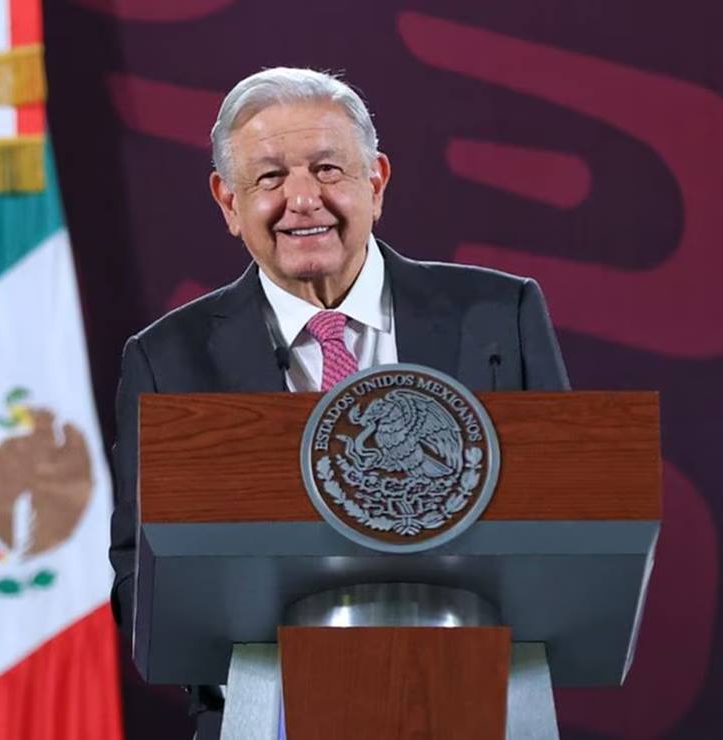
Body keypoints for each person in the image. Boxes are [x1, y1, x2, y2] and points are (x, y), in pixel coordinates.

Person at [107, 67, 570, 738]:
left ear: (375, 182)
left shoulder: (499, 316)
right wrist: (255, 668)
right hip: (267, 713)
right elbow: (138, 571)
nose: (301, 200)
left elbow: (573, 516)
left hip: (471, 702)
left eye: (327, 169)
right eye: (268, 178)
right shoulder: (168, 360)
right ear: (229, 203)